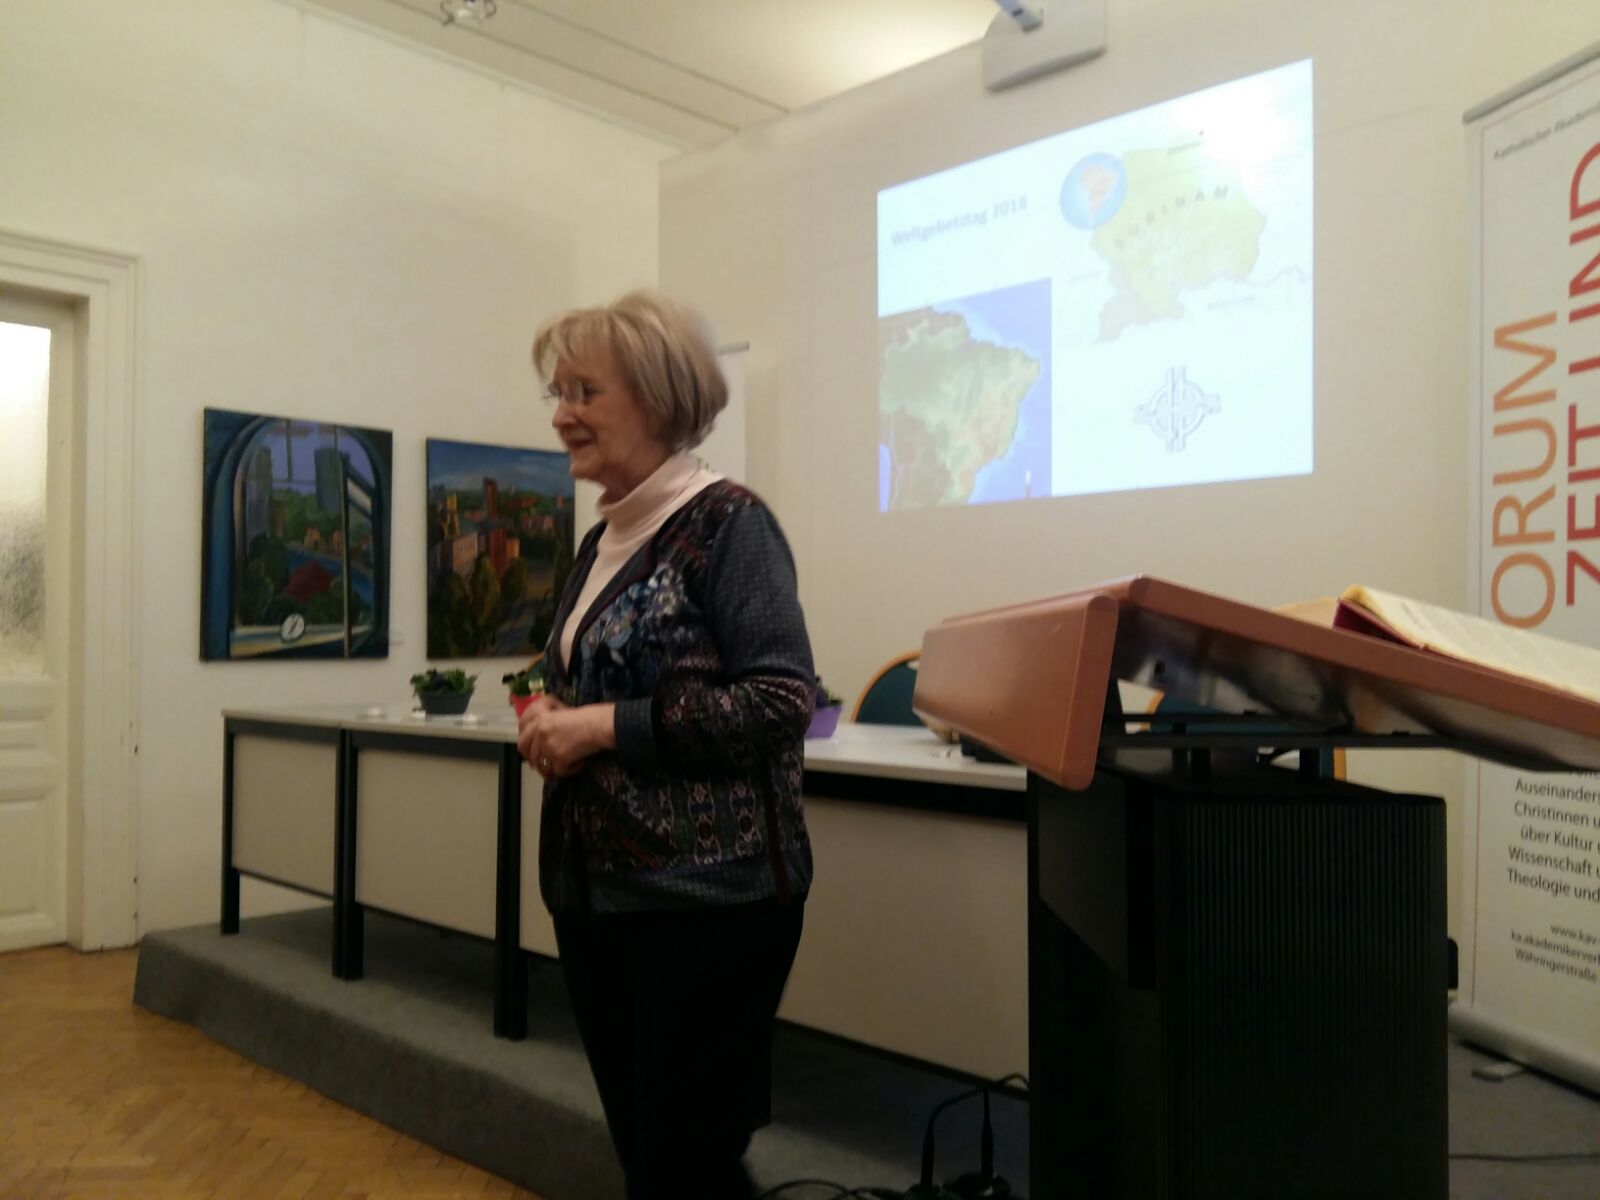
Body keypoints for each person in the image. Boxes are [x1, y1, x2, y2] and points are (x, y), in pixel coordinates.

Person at [516, 289, 815, 1199]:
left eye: (585, 392)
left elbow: (779, 701)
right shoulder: (602, 537)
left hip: (707, 902)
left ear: (657, 395)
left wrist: (599, 727)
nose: (562, 414)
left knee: (685, 1163)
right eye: (558, 392)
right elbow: (594, 679)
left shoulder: (730, 525)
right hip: (597, 895)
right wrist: (550, 710)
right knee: (655, 1161)